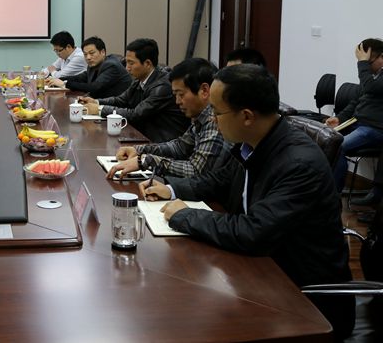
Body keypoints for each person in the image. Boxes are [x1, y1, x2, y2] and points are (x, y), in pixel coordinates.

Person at [141, 64, 354, 339]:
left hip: (301, 299)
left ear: (246, 116)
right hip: (257, 272)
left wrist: (184, 215)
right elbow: (217, 182)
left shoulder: (299, 164)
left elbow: (253, 231)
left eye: (217, 112)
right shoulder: (253, 142)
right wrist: (170, 189)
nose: (213, 119)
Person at [108, 58, 226, 179]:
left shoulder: (215, 120)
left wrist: (147, 161)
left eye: (181, 94)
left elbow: (196, 171)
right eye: (175, 95)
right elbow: (179, 147)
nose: (177, 101)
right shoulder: (200, 116)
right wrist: (138, 150)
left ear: (204, 90)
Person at [79, 38, 188, 143]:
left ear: (147, 63)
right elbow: (121, 100)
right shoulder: (139, 79)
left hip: (162, 142)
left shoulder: (162, 87)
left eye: (131, 63)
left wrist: (99, 109)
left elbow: (136, 114)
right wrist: (96, 102)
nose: (127, 68)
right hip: (142, 135)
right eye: (126, 62)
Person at [326, 38, 383, 204]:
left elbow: (371, 87)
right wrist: (339, 118)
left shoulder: (372, 78)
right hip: (356, 123)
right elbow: (356, 101)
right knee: (325, 140)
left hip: (374, 129)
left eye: (368, 62)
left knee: (337, 147)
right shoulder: (371, 76)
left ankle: (333, 197)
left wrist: (362, 64)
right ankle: (322, 188)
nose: (366, 66)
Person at [46, 36, 132, 99]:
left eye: (92, 53)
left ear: (102, 52)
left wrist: (64, 84)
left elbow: (94, 87)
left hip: (116, 110)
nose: (88, 57)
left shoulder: (111, 65)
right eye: (85, 54)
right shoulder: (94, 65)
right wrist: (57, 80)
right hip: (100, 103)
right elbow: (80, 78)